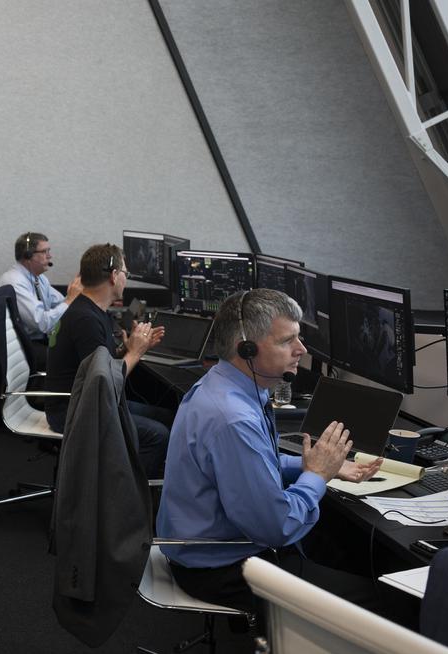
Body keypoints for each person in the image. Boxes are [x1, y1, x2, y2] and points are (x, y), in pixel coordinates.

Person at [155, 288, 384, 614]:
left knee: (350, 552)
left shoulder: (224, 384)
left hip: (211, 547)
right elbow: (276, 528)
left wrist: (310, 465)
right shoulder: (233, 419)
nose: (300, 350)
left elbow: (250, 463)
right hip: (222, 567)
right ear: (246, 349)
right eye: (286, 341)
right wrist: (317, 476)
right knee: (380, 603)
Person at [43, 244, 172, 476]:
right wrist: (135, 352)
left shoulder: (91, 309)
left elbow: (100, 363)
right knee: (158, 435)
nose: (126, 279)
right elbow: (103, 384)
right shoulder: (86, 320)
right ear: (114, 276)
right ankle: (123, 498)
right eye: (125, 273)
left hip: (82, 401)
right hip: (73, 411)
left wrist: (127, 347)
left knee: (167, 416)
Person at [0, 232, 82, 368]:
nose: (50, 256)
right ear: (28, 256)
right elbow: (42, 323)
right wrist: (70, 300)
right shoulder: (14, 282)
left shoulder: (39, 279)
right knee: (72, 359)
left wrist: (78, 295)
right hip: (23, 347)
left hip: (36, 341)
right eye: (44, 252)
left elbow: (61, 302)